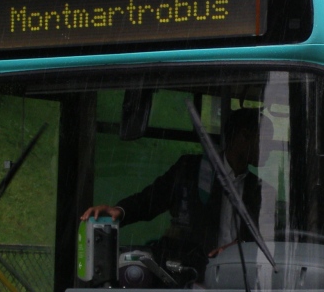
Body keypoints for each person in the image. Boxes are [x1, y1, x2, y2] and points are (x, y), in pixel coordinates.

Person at [81, 107, 266, 279]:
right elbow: (151, 200)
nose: (270, 149)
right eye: (265, 139)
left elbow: (264, 236)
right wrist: (120, 211)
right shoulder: (191, 171)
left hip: (237, 281)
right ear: (244, 137)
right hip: (188, 278)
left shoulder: (259, 190)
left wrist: (239, 247)